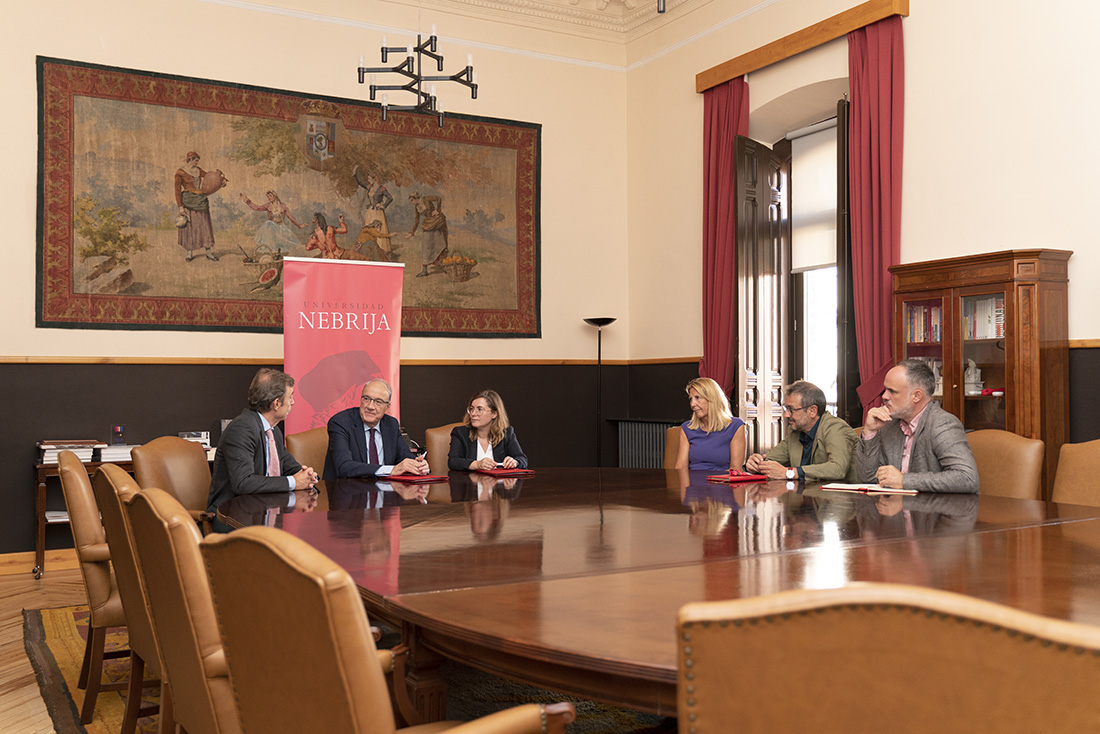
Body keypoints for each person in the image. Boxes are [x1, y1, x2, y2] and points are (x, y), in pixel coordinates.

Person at [853, 358, 979, 493]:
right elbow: (868, 477)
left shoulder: (942, 424)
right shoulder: (890, 424)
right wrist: (870, 431)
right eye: (885, 390)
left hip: (937, 506)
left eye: (892, 391)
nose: (884, 396)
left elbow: (967, 478)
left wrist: (904, 480)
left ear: (917, 396)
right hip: (897, 504)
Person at [207, 368, 319, 514]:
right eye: (290, 397)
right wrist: (293, 482)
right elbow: (243, 483)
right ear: (276, 403)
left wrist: (307, 476)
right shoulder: (241, 429)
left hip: (263, 511)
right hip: (232, 515)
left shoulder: (273, 431)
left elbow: (289, 465)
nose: (293, 402)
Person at [746, 380, 857, 482]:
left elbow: (838, 469)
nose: (786, 415)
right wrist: (755, 464)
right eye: (785, 408)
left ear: (812, 411)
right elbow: (771, 461)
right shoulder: (795, 431)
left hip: (843, 495)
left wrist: (790, 473)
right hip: (805, 494)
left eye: (791, 409)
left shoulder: (835, 428)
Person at [324, 378, 429, 479]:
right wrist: (391, 470)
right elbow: (344, 467)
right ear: (361, 400)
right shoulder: (341, 423)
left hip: (386, 489)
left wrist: (419, 466)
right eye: (366, 399)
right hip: (348, 489)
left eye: (378, 402)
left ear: (387, 407)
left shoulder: (391, 424)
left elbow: (405, 458)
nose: (370, 406)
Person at [675, 377, 746, 472]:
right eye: (691, 399)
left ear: (712, 399)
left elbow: (735, 470)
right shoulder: (687, 428)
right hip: (693, 480)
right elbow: (680, 469)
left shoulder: (735, 426)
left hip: (721, 480)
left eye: (697, 398)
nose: (692, 404)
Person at [448, 390, 528, 471]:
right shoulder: (460, 433)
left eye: (479, 409)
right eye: (471, 409)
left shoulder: (507, 433)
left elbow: (522, 459)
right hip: (470, 479)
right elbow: (453, 461)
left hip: (500, 479)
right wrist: (477, 464)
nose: (473, 413)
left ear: (494, 414)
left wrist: (515, 462)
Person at [174, 151, 224, 262]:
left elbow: (210, 179)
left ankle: (209, 253)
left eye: (198, 161)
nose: (197, 163)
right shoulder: (180, 172)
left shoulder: (198, 170)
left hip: (200, 200)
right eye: (196, 160)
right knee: (190, 227)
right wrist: (180, 207)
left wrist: (220, 181)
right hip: (188, 201)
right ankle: (189, 253)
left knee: (204, 226)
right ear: (190, 160)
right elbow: (177, 191)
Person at [240, 190, 305, 254]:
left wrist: (299, 225)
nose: (269, 198)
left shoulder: (283, 206)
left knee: (287, 245)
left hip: (280, 228)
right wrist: (247, 201)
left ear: (275, 196)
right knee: (268, 223)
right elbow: (257, 208)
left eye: (270, 196)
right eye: (268, 196)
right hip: (271, 229)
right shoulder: (268, 205)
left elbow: (291, 217)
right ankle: (271, 251)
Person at [405, 192, 449, 277]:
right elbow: (417, 220)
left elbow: (438, 198)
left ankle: (445, 266)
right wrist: (412, 233)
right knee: (426, 247)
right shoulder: (416, 207)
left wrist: (438, 210)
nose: (412, 202)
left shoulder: (426, 199)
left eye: (412, 200)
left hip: (437, 223)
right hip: (428, 225)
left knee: (440, 245)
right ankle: (424, 270)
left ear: (416, 198)